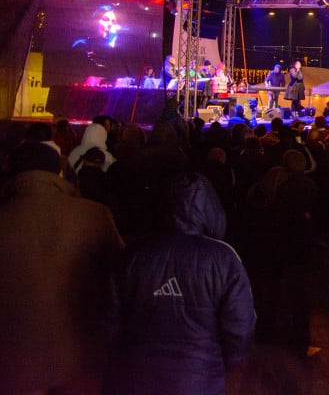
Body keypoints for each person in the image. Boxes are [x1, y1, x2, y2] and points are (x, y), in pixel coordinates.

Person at [104, 172, 256, 395]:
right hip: (200, 378)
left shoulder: (133, 254)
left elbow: (110, 320)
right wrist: (225, 364)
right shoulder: (224, 258)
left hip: (137, 374)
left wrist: (119, 361)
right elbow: (240, 325)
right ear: (210, 209)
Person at [0, 141, 125, 395]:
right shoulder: (94, 215)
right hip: (81, 358)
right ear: (59, 172)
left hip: (12, 363)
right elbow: (123, 277)